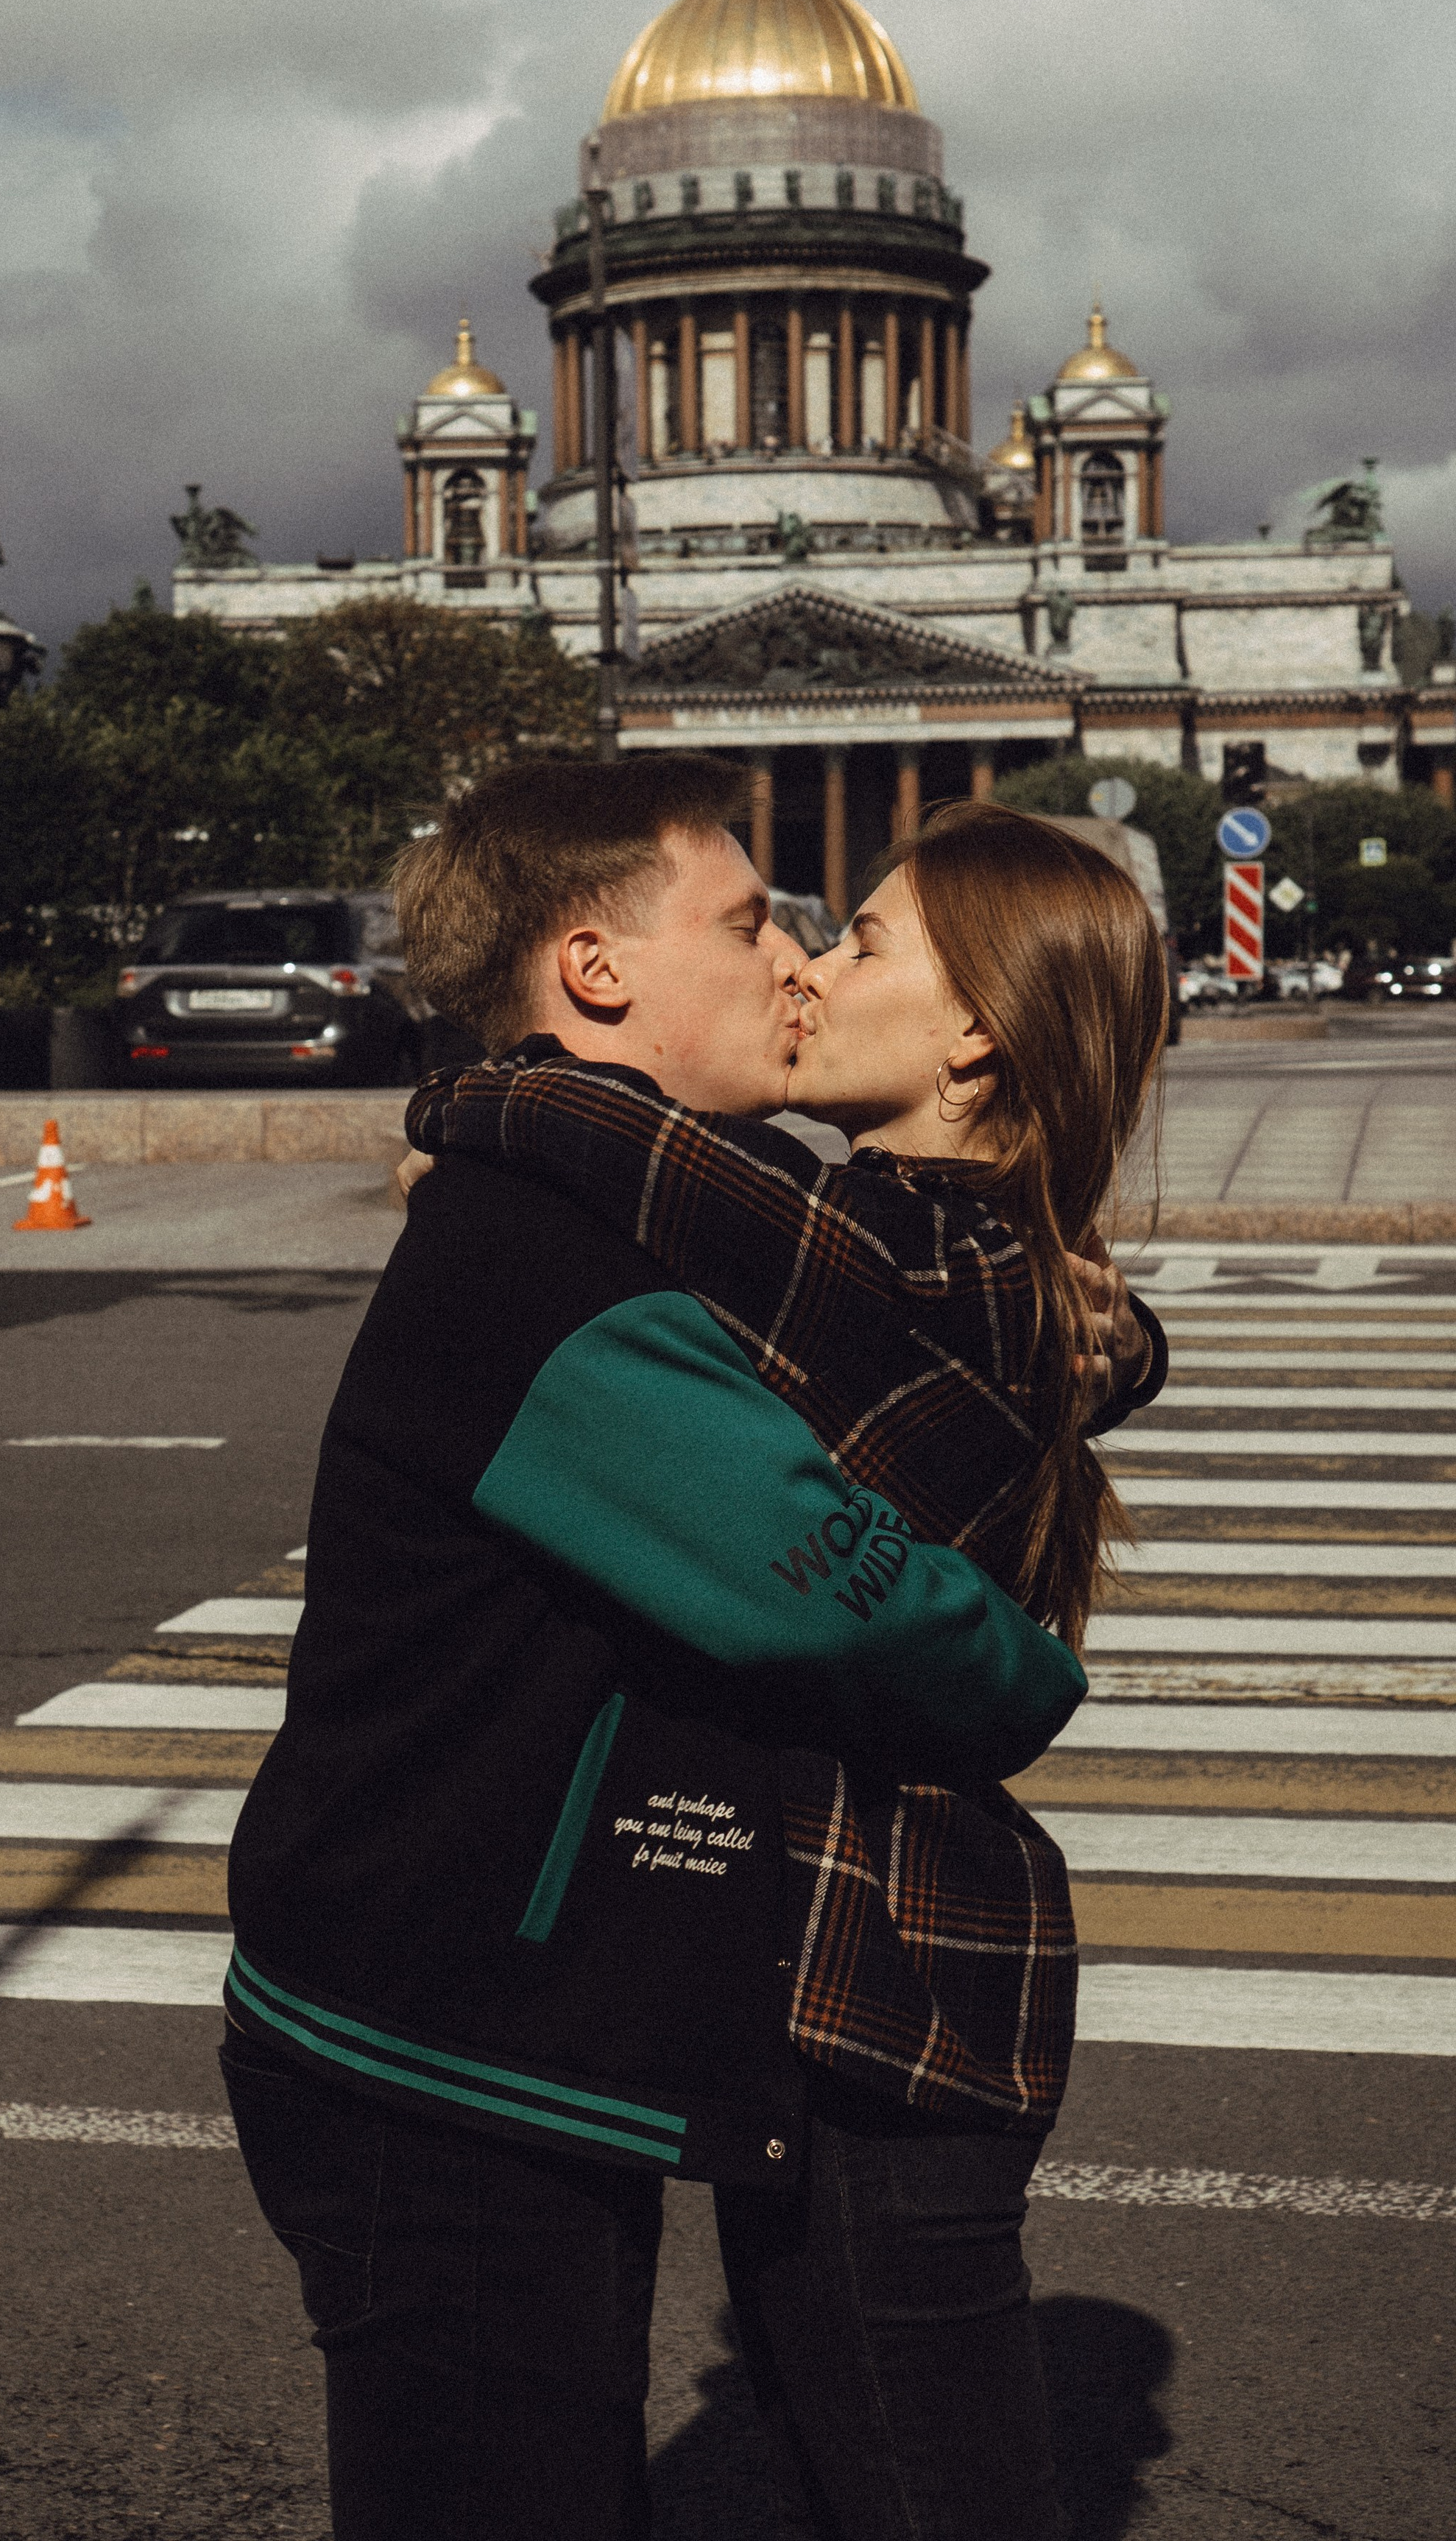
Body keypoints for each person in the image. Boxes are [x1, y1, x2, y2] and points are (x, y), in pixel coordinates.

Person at [224, 759, 1162, 2541]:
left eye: (835, 932)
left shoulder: (694, 1213)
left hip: (558, 2002)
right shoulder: (561, 1243)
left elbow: (934, 1308)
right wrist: (1030, 1682)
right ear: (594, 970)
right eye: (752, 922)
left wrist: (1095, 1339)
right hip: (437, 2025)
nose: (795, 957)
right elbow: (823, 1579)